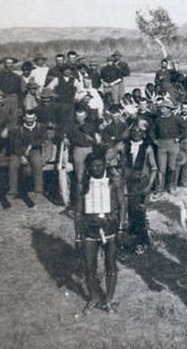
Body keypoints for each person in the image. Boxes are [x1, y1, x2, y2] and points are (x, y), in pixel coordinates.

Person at [74, 150, 125, 314]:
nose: (98, 168)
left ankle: (109, 300)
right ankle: (93, 297)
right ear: (88, 167)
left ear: (105, 165)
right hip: (89, 230)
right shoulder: (83, 185)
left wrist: (121, 228)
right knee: (89, 268)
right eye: (94, 165)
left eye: (101, 165)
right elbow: (78, 212)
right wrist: (78, 236)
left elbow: (123, 205)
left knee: (111, 265)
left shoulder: (113, 182)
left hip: (110, 229)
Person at [121, 124, 158, 255]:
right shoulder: (124, 146)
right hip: (128, 183)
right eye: (134, 131)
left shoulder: (147, 148)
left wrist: (149, 186)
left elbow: (154, 168)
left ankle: (143, 241)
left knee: (140, 212)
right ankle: (132, 241)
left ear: (143, 134)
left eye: (139, 131)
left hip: (142, 183)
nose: (136, 133)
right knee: (129, 212)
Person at [8, 111, 47, 207]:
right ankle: (13, 191)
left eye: (32, 118)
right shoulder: (19, 129)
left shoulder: (40, 127)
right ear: (24, 119)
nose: (30, 120)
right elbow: (15, 144)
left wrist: (32, 145)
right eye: (28, 118)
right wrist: (21, 156)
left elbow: (43, 139)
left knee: (37, 162)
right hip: (19, 151)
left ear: (35, 118)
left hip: (34, 150)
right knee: (13, 165)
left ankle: (38, 190)